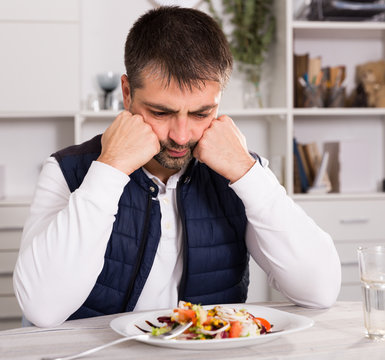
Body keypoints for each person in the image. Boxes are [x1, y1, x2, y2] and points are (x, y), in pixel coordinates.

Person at [13, 6, 341, 328]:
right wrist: (110, 169)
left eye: (201, 114)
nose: (181, 136)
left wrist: (246, 172)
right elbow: (42, 310)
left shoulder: (244, 174)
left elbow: (320, 291)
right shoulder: (67, 170)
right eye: (161, 112)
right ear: (127, 93)